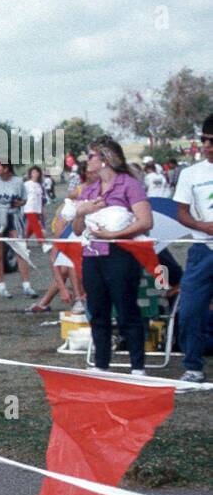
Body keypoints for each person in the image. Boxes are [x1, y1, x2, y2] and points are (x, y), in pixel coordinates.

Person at [72, 137, 153, 375]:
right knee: (97, 311)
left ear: (105, 159)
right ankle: (101, 365)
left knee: (127, 309)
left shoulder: (129, 185)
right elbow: (78, 230)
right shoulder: (89, 190)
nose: (87, 161)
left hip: (121, 255)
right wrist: (81, 212)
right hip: (92, 255)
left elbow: (146, 222)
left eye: (91, 156)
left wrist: (113, 234)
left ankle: (138, 367)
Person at [173, 114, 213, 383]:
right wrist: (203, 226)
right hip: (202, 250)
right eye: (204, 140)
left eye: (212, 141)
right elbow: (182, 213)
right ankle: (193, 367)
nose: (207, 146)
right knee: (189, 310)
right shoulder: (191, 173)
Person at [0, 158, 34, 297]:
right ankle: (2, 287)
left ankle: (26, 285)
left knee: (20, 250)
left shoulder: (18, 182)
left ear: (6, 168)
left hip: (13, 217)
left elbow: (24, 199)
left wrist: (19, 203)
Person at [23, 165, 47, 242]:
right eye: (33, 172)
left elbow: (41, 199)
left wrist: (42, 210)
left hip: (37, 208)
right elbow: (22, 196)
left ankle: (24, 241)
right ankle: (43, 243)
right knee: (36, 225)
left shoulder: (40, 185)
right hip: (29, 208)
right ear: (30, 174)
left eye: (37, 172)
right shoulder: (26, 184)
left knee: (31, 227)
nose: (35, 174)